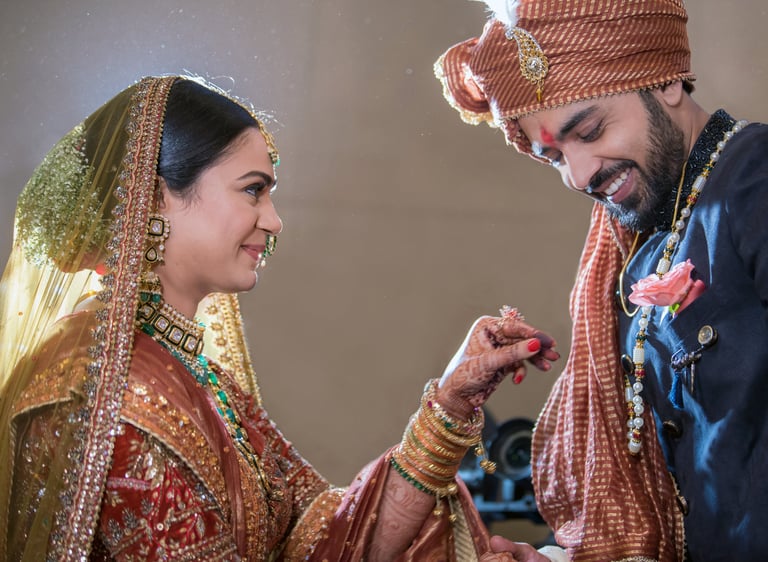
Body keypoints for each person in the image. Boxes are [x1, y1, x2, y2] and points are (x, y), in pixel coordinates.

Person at [0, 74, 560, 561]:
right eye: (253, 191)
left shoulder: (192, 373)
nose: (274, 221)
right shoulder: (106, 395)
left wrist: (452, 400)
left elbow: (323, 537)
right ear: (153, 198)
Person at [435, 1, 768, 561]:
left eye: (590, 130)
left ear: (664, 82)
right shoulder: (640, 249)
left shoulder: (754, 180)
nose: (581, 174)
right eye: (553, 158)